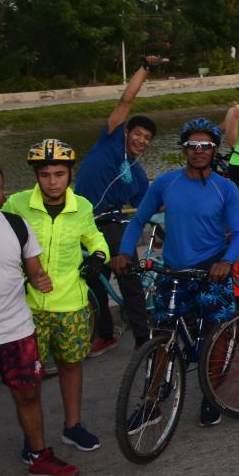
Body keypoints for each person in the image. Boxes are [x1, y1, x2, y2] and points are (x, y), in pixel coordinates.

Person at [114, 118, 239, 427]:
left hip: (212, 270)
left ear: (215, 150)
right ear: (184, 149)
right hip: (173, 270)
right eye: (192, 146)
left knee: (217, 335)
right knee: (161, 335)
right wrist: (123, 251)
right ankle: (151, 404)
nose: (198, 151)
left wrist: (226, 261)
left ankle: (211, 394)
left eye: (206, 146)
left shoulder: (225, 187)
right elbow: (137, 221)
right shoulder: (165, 182)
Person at [0, 160, 79, 476]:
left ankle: (38, 456)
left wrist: (41, 280)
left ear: (3, 193)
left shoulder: (17, 226)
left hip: (18, 332)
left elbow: (32, 271)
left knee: (29, 396)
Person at [3, 140, 109, 456]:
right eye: (45, 174)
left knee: (71, 365)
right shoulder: (16, 204)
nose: (52, 181)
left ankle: (72, 426)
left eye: (59, 174)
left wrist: (98, 256)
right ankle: (31, 436)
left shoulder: (83, 206)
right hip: (27, 307)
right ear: (36, 176)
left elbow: (95, 236)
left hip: (71, 303)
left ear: (70, 175)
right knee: (28, 377)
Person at [74, 54, 166, 354]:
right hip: (79, 219)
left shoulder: (138, 175)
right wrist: (145, 68)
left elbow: (148, 206)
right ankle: (106, 333)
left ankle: (143, 337)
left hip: (112, 222)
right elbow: (126, 100)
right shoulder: (111, 140)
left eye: (147, 138)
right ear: (127, 132)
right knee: (89, 276)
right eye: (138, 134)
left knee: (127, 271)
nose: (142, 140)